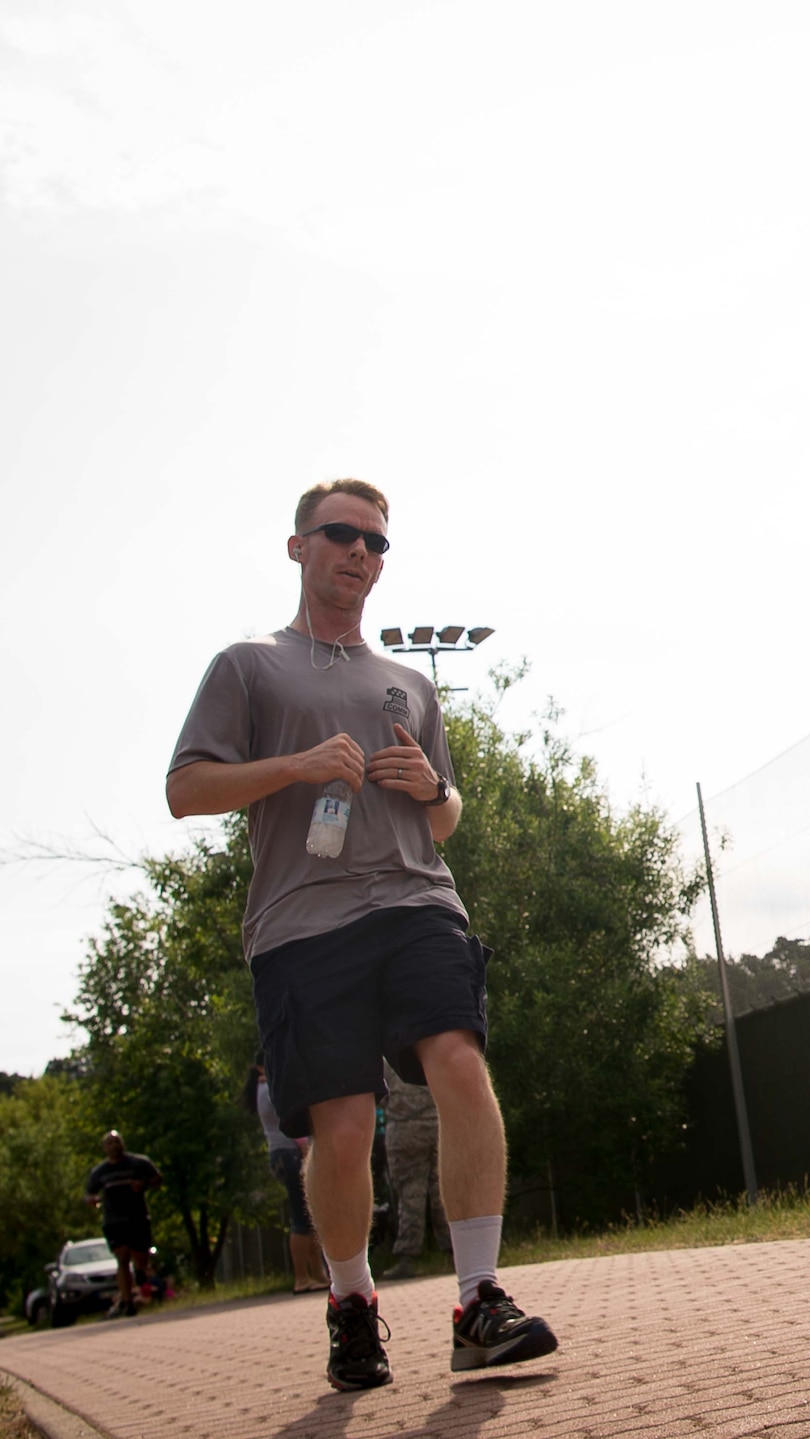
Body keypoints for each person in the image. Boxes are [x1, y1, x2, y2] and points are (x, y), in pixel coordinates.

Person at [166, 478, 556, 1391]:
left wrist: (432, 788)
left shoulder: (410, 682)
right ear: (299, 546)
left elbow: (448, 817)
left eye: (377, 543)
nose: (360, 554)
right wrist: (295, 766)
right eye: (341, 535)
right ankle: (351, 1303)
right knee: (341, 1129)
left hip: (417, 899)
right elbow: (185, 790)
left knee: (459, 1059)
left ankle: (479, 1299)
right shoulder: (249, 665)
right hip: (301, 925)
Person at [243, 1061, 330, 1294]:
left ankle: (318, 1273)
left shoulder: (264, 1088)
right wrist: (305, 1151)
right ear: (260, 1066)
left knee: (308, 1215)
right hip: (289, 1155)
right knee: (301, 1217)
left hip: (283, 1155)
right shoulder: (270, 1089)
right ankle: (302, 1277)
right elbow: (290, 1121)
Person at [381, 1067, 450, 1282]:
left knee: (410, 1196)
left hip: (404, 1131)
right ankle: (455, 1253)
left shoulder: (386, 1060)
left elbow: (379, 1097)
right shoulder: (429, 1048)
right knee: (445, 1191)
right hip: (438, 1125)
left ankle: (407, 1259)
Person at [84, 1131, 161, 1317]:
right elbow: (88, 1194)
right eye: (110, 1143)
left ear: (122, 1143)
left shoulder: (138, 1163)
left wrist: (143, 1185)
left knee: (141, 1258)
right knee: (122, 1258)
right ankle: (128, 1302)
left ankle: (141, 1270)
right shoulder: (99, 1172)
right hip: (114, 1221)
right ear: (105, 1148)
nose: (114, 1145)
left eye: (117, 1141)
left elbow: (157, 1178)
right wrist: (92, 1199)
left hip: (137, 1217)